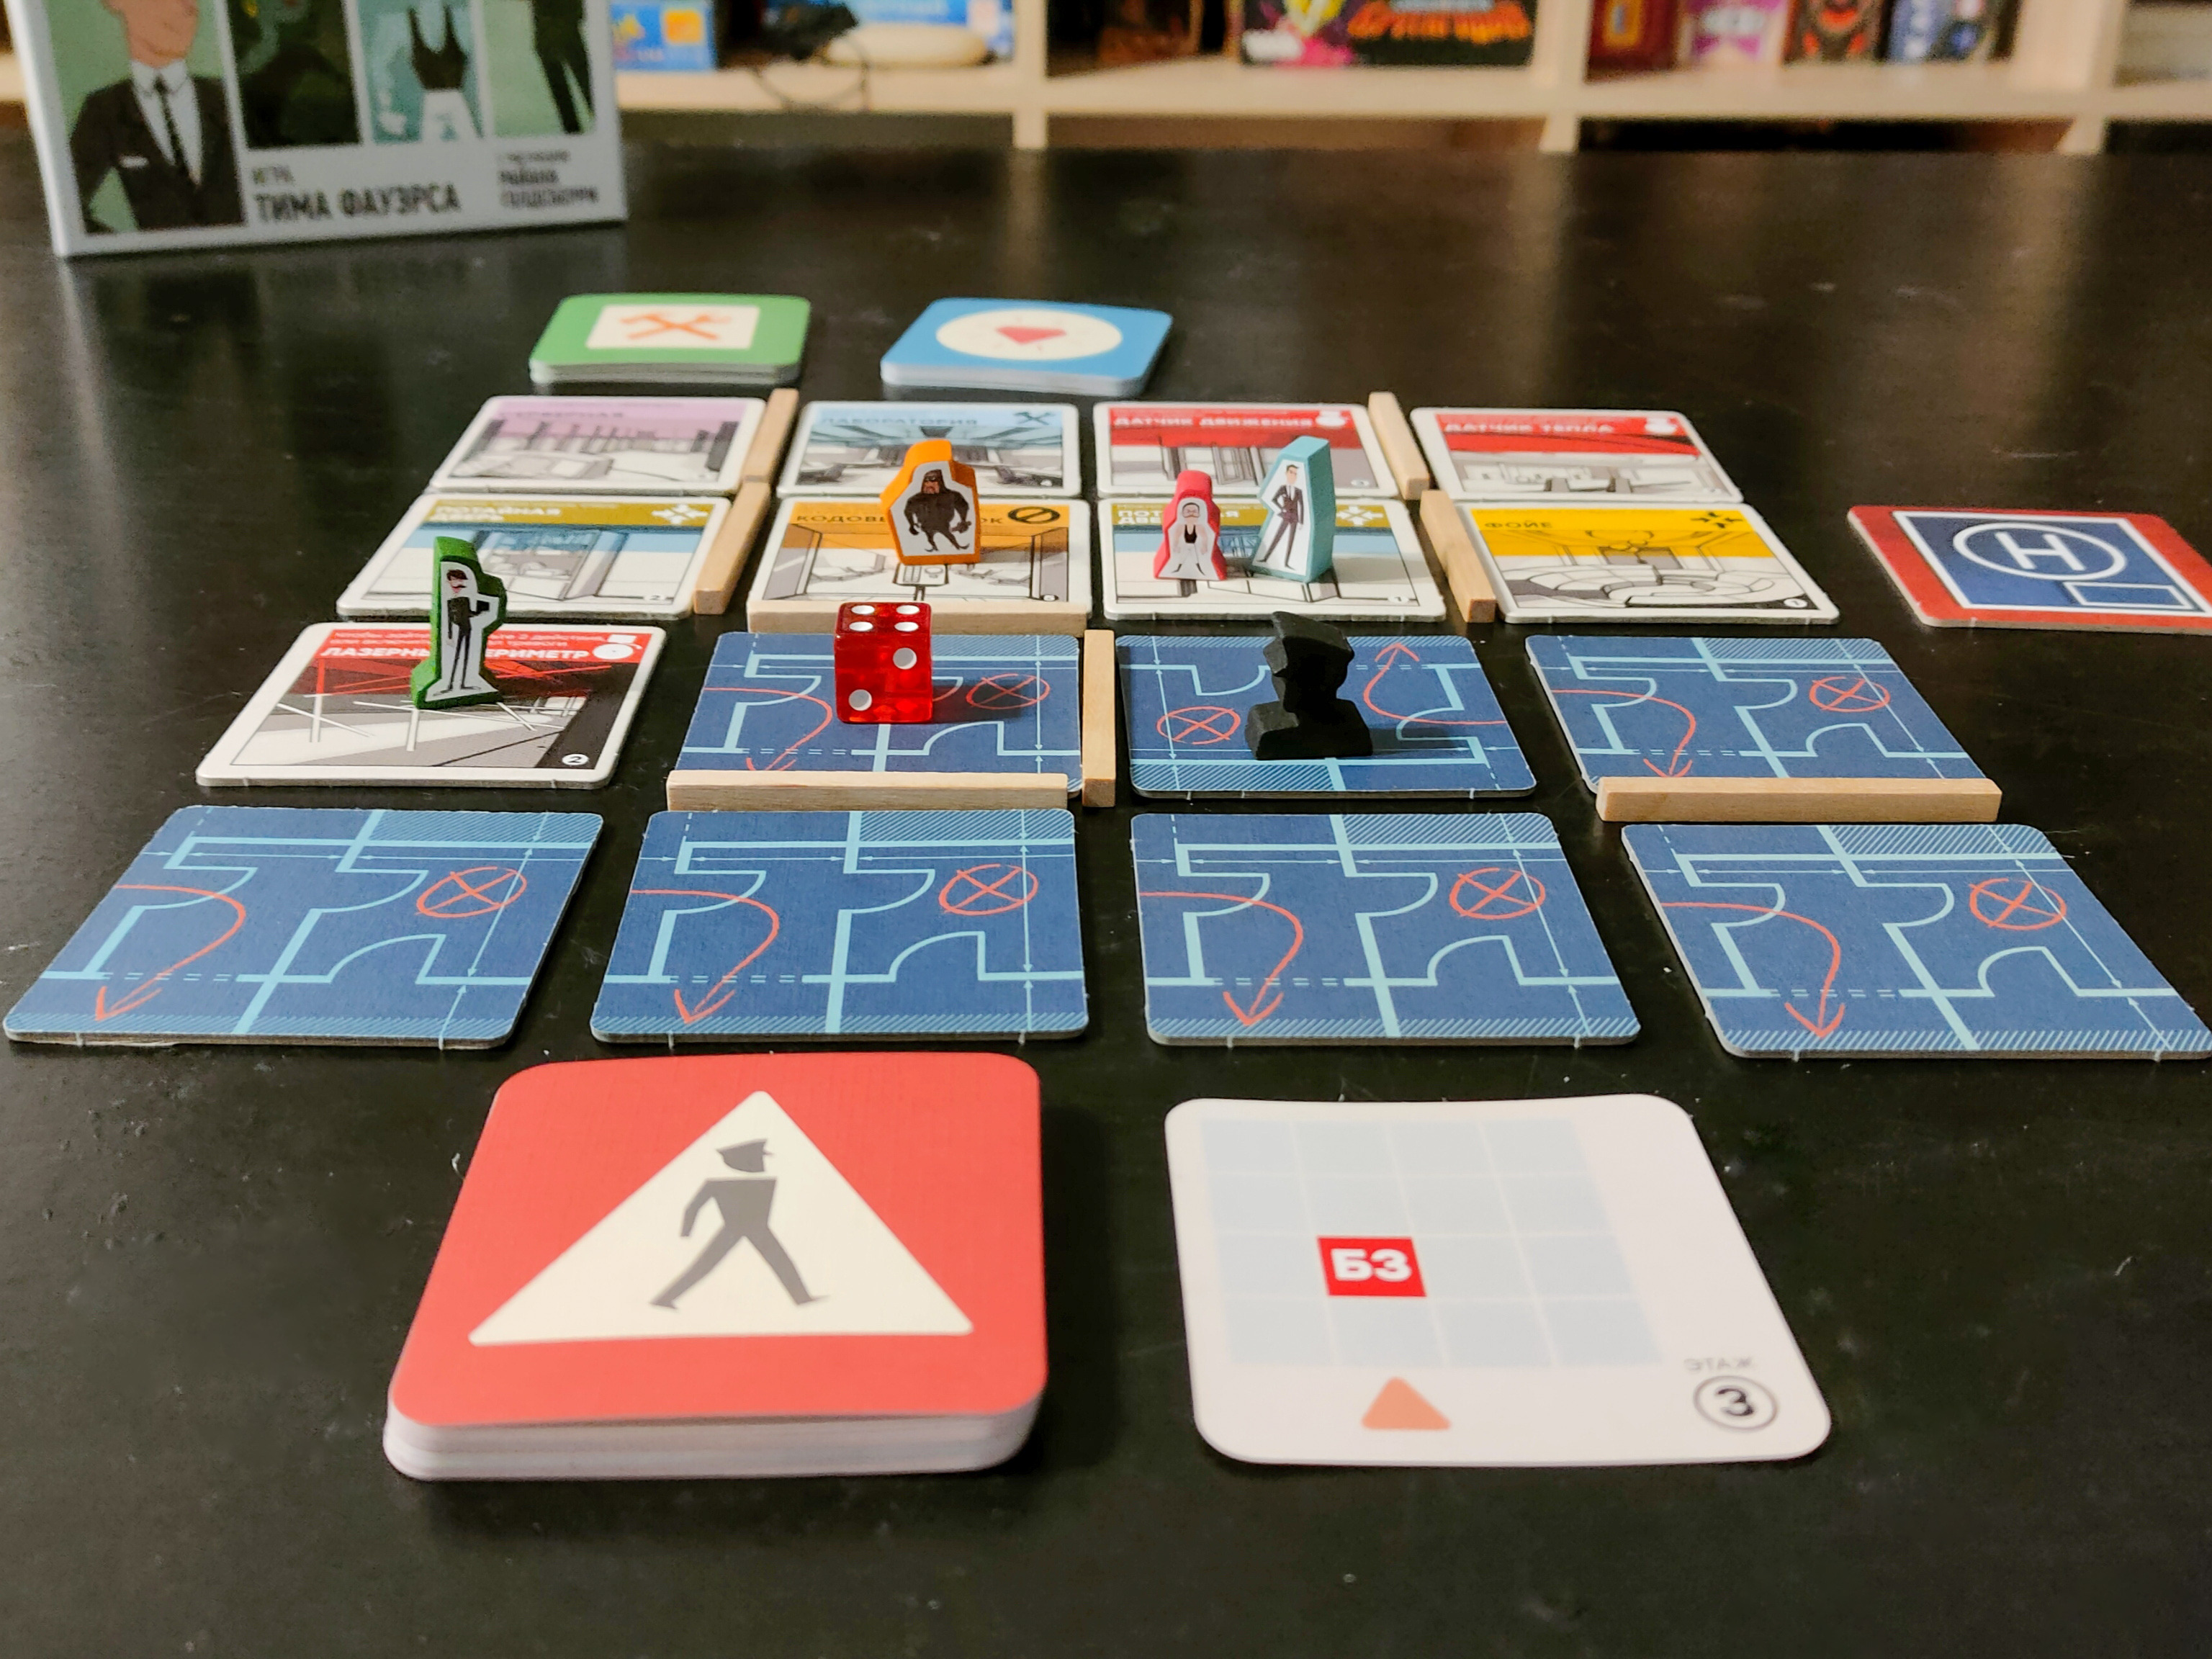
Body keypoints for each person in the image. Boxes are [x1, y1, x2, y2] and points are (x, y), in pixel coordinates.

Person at [68, 0, 244, 233]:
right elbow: (67, 205)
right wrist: (128, 249)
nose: (188, 7)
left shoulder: (228, 98)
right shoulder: (105, 109)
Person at [652, 1141, 819, 1310]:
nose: (763, 1161)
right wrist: (685, 1233)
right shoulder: (759, 1182)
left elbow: (692, 1208)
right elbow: (692, 1208)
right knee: (780, 1263)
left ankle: (802, 1298)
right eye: (759, 1157)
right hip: (749, 1229)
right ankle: (664, 1299)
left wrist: (686, 1232)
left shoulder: (717, 1183)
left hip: (746, 1229)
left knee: (779, 1263)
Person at [529, 0, 593, 135]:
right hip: (557, 24)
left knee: (577, 82)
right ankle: (575, 131)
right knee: (582, 79)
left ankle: (574, 131)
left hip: (554, 24)